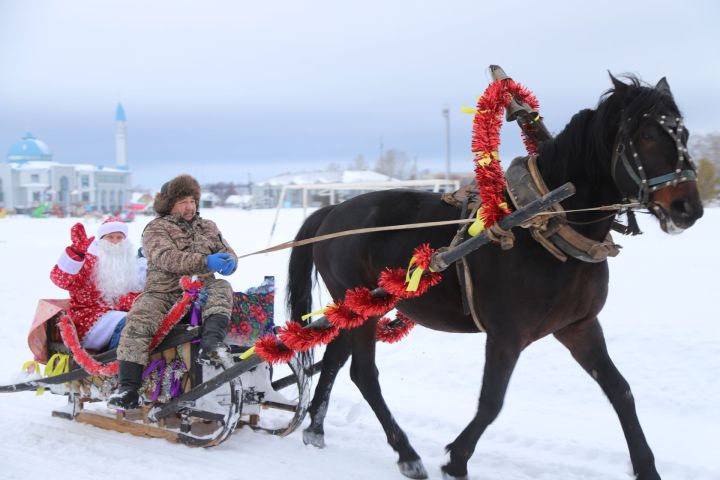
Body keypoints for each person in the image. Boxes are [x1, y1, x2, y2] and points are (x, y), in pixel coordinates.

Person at [108, 174, 237, 409]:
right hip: (164, 292)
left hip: (203, 288)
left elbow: (226, 250)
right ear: (169, 204)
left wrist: (230, 262)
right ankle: (128, 388)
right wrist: (205, 261)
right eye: (183, 202)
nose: (189, 207)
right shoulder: (156, 228)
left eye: (192, 201)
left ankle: (211, 344)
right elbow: (166, 258)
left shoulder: (208, 227)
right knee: (138, 321)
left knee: (222, 288)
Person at [50, 218, 146, 351]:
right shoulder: (88, 261)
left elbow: (131, 294)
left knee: (147, 318)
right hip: (89, 319)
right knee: (132, 322)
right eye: (110, 237)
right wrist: (76, 253)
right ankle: (117, 362)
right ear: (101, 239)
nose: (115, 241)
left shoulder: (129, 264)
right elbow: (60, 279)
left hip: (116, 315)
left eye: (120, 237)